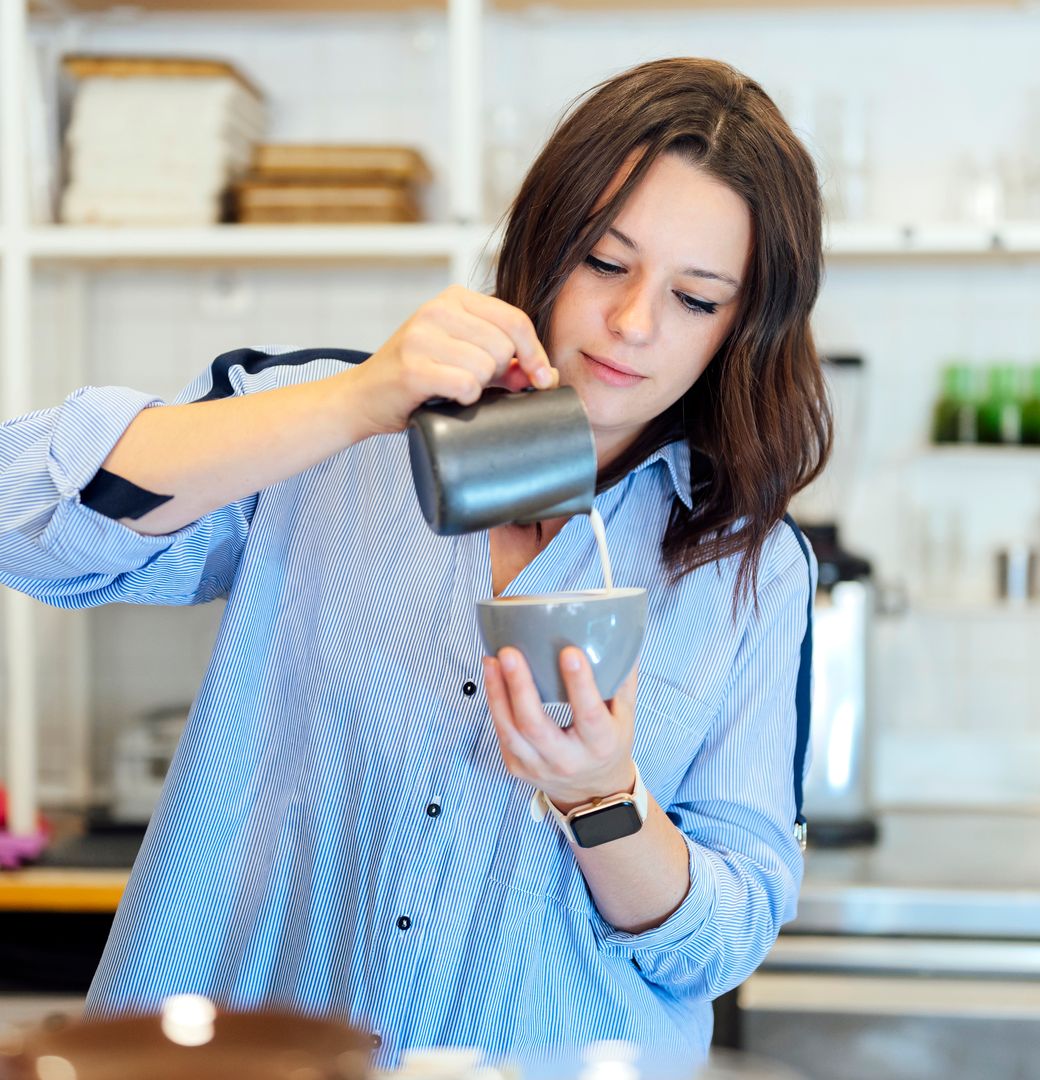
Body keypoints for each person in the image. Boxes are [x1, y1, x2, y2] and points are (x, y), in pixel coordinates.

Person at [0, 56, 829, 1072]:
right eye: (607, 264)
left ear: (743, 330)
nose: (634, 324)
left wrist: (604, 796)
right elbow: (22, 518)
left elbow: (725, 935)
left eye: (697, 298)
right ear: (545, 242)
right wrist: (356, 404)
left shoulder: (749, 567)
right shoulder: (329, 428)